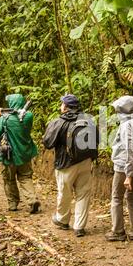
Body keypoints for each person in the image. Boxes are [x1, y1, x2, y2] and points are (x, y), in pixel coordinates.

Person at [42, 94, 98, 238]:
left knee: (64, 193)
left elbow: (48, 143)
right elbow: (97, 140)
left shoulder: (58, 122)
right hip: (85, 162)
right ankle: (79, 226)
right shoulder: (88, 120)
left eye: (62, 104)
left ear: (65, 107)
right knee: (83, 194)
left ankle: (62, 219)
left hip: (65, 164)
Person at [0, 93, 40, 213]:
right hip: (25, 154)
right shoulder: (28, 116)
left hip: (9, 155)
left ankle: (13, 203)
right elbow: (21, 116)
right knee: (25, 177)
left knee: (9, 179)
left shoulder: (4, 119)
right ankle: (32, 200)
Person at [105, 96, 133, 242]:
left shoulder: (128, 125)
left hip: (124, 167)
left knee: (116, 197)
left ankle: (118, 231)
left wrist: (128, 174)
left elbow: (130, 151)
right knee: (131, 196)